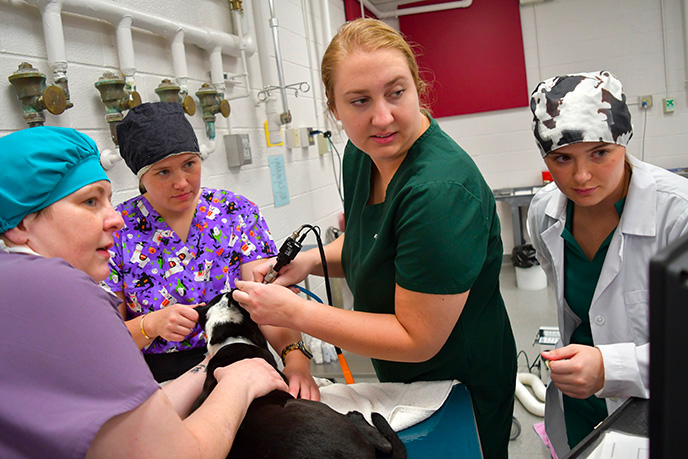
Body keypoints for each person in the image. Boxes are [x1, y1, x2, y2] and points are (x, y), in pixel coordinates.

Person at [232, 18, 517, 459]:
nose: (382, 117)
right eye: (359, 101)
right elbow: (373, 241)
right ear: (334, 108)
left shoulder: (438, 192)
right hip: (404, 377)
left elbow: (418, 337)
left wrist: (294, 312)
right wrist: (310, 260)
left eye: (396, 92)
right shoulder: (363, 153)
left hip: (459, 382)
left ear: (418, 85)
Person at [0, 126, 288, 458]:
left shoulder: (16, 282)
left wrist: (210, 365)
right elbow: (174, 454)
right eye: (90, 201)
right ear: (21, 224)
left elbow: (126, 427)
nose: (115, 219)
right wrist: (242, 381)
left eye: (190, 165)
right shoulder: (62, 290)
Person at [104, 102, 318, 400]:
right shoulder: (116, 232)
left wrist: (295, 361)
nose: (182, 182)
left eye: (190, 165)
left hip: (245, 365)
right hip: (164, 384)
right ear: (140, 177)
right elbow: (106, 337)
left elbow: (267, 304)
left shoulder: (235, 212)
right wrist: (149, 325)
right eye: (163, 172)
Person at [526, 70, 688, 455]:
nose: (581, 176)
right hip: (579, 404)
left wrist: (609, 368)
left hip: (659, 408)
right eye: (562, 158)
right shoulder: (545, 213)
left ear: (624, 142)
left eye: (600, 153)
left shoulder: (678, 215)